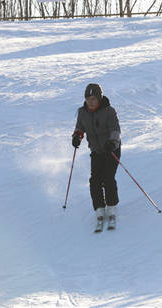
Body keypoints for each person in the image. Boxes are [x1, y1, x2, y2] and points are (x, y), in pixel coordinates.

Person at [71, 83, 121, 231]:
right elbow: (80, 128)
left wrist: (113, 142)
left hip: (111, 149)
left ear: (99, 98)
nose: (90, 102)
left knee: (108, 178)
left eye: (93, 99)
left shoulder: (109, 111)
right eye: (88, 99)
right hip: (96, 151)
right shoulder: (82, 112)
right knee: (94, 181)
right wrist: (77, 137)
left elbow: (115, 129)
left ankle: (111, 207)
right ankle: (99, 208)